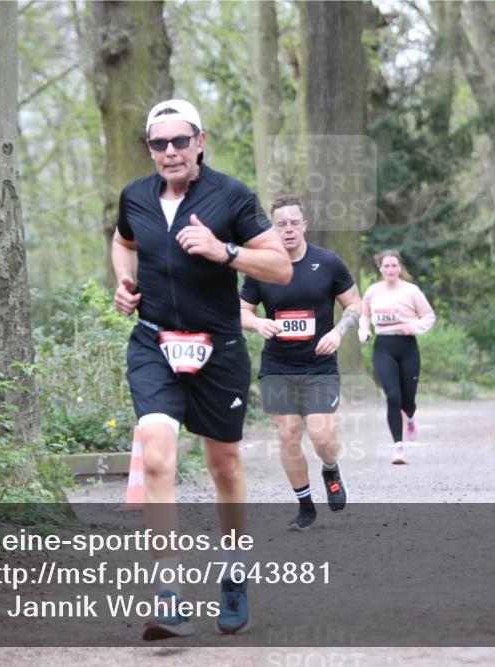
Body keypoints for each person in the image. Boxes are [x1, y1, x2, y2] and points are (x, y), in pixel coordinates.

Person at [112, 99, 292, 639]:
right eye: (158, 143)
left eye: (180, 141)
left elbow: (280, 268)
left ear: (200, 141)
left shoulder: (230, 196)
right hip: (153, 342)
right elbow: (123, 243)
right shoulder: (135, 197)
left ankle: (234, 574)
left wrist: (224, 251)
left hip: (218, 348)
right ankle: (169, 593)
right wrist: (123, 284)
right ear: (149, 149)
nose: (170, 152)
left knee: (225, 466)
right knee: (157, 453)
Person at [239, 195, 361, 531]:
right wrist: (258, 324)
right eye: (281, 224)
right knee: (288, 433)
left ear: (304, 225)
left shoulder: (329, 262)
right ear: (273, 229)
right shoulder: (262, 267)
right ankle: (305, 506)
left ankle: (330, 469)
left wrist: (338, 332)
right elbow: (242, 311)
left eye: (294, 223)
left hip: (319, 365)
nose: (288, 229)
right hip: (278, 366)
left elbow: (354, 304)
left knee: (323, 437)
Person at [358, 249, 435, 465]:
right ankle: (398, 448)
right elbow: (365, 315)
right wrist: (363, 331)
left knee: (407, 399)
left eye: (394, 265)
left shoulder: (412, 291)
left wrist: (413, 327)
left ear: (399, 268)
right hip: (384, 347)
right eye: (386, 266)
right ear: (380, 268)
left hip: (408, 346)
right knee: (393, 396)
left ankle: (409, 417)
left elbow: (428, 316)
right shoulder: (373, 291)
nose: (390, 269)